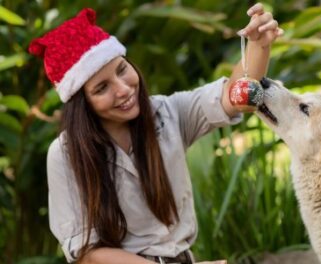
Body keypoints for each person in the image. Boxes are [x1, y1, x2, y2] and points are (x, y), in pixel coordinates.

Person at [29, 3, 282, 264]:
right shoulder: (65, 155)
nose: (123, 89)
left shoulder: (168, 113)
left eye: (121, 69)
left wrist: (259, 45)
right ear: (83, 103)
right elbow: (87, 253)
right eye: (102, 88)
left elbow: (237, 97)